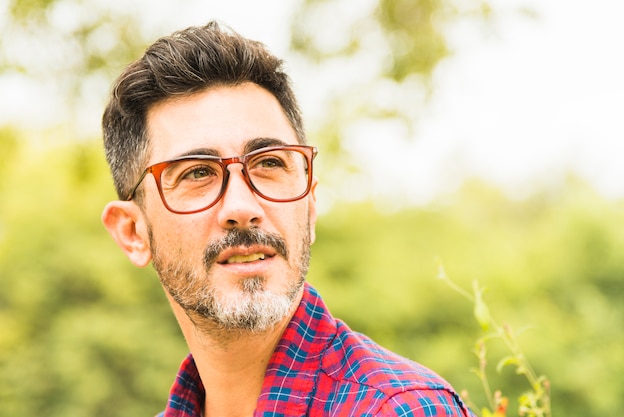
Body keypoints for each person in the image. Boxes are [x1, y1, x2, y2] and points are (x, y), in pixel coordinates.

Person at [101, 21, 475, 417]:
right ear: (132, 232)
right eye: (197, 172)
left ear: (310, 207)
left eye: (269, 163)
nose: (242, 207)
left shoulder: (400, 410)